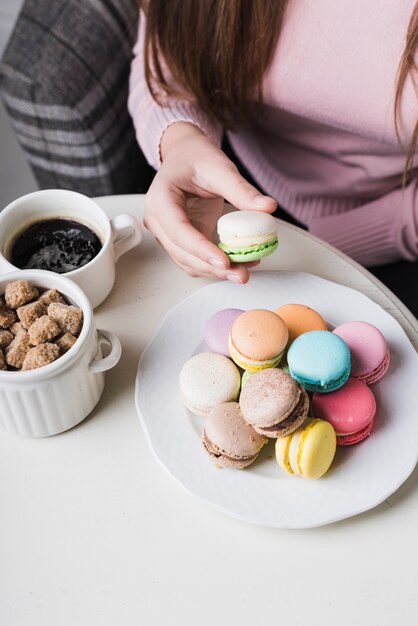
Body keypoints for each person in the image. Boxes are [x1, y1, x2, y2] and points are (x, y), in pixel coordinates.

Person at [128, 1, 418, 316]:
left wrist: (364, 234)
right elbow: (166, 52)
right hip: (228, 180)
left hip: (395, 223)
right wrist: (180, 140)